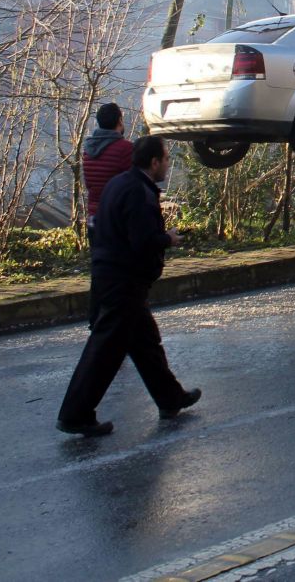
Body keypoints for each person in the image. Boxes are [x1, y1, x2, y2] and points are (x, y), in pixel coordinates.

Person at [57, 136, 200, 437]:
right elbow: (142, 241)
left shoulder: (119, 183)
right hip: (123, 282)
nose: (168, 165)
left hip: (112, 277)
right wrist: (168, 239)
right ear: (154, 163)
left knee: (146, 343)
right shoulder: (139, 193)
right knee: (104, 351)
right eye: (166, 159)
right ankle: (75, 414)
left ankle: (170, 398)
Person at [81, 103, 133, 238]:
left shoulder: (88, 149)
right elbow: (135, 185)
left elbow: (89, 185)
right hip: (117, 219)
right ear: (120, 120)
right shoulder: (125, 148)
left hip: (95, 218)